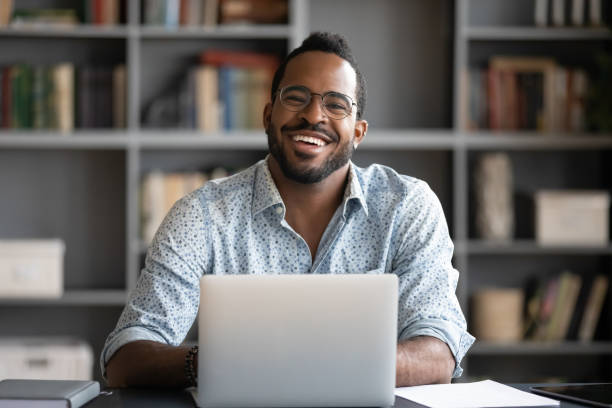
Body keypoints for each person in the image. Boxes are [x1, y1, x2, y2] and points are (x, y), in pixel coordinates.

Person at [102, 31, 474, 388]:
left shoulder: (407, 206)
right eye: (296, 97)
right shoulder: (202, 214)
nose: (314, 115)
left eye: (336, 104)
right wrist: (212, 363)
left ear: (358, 132)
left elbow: (438, 351)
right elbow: (125, 358)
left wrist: (313, 365)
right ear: (268, 116)